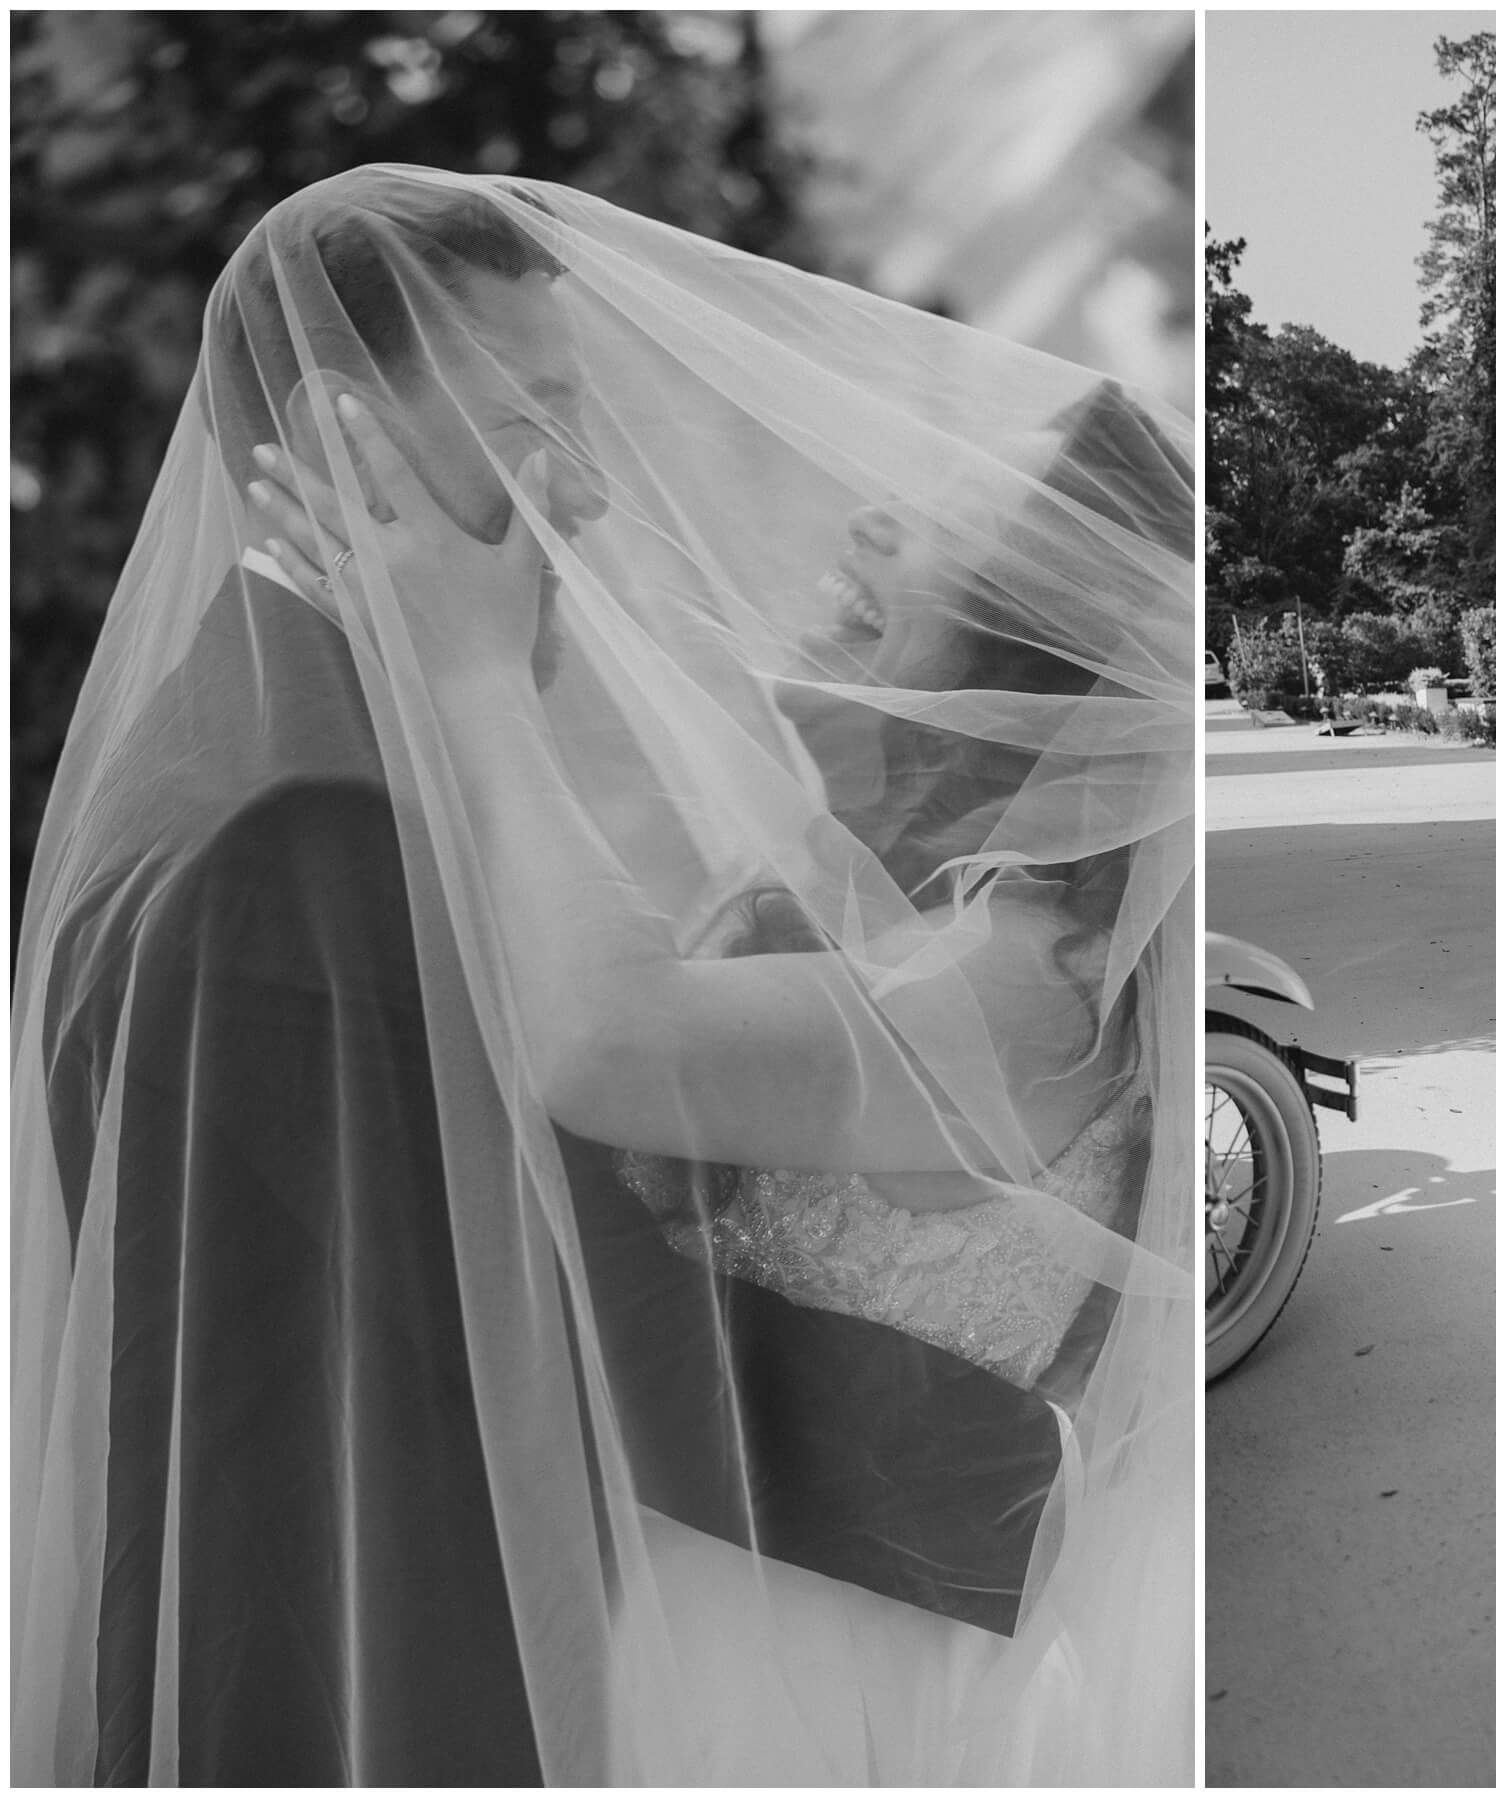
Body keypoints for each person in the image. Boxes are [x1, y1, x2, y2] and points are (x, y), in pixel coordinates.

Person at [14, 165, 1193, 1786]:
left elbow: (591, 1116)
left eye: (925, 511)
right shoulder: (304, 817)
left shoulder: (1035, 958)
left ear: (1029, 633)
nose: (594, 486)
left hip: (786, 1632)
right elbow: (495, 1318)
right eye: (536, 411)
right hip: (420, 1647)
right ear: (349, 432)